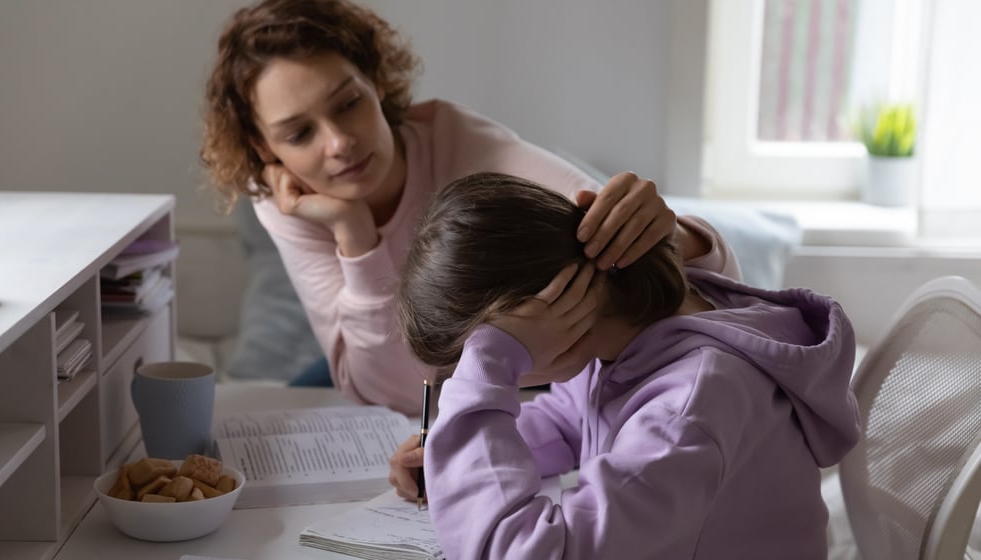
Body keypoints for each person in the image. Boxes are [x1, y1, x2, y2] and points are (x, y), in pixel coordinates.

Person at [200, 0, 739, 415]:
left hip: (531, 363)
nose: (338, 142)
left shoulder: (469, 147)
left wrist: (679, 237)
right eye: (299, 133)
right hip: (413, 368)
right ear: (266, 150)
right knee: (272, 420)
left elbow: (687, 288)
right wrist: (352, 232)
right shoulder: (290, 200)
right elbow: (388, 391)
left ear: (376, 84)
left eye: (348, 103)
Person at [389, 172, 861, 558]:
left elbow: (522, 552)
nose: (481, 376)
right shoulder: (632, 331)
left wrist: (488, 371)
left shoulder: (687, 410)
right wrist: (451, 457)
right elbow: (566, 419)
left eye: (474, 361)